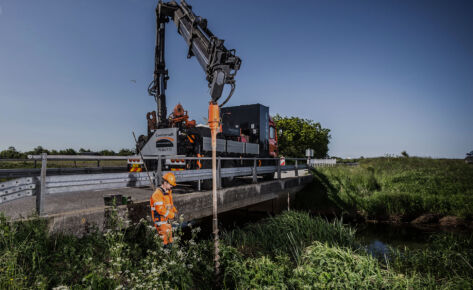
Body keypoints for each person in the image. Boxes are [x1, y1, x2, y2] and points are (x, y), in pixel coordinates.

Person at [150, 172, 178, 245]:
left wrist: (174, 211)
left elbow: (169, 205)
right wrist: (172, 215)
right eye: (170, 184)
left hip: (166, 222)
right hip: (161, 222)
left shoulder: (167, 192)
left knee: (169, 242)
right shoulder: (157, 194)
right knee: (165, 244)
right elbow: (160, 210)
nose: (171, 186)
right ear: (165, 183)